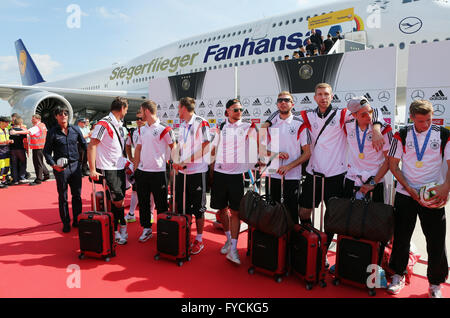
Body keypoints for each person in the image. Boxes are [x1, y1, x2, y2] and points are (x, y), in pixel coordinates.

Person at [263, 83, 387, 266]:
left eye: (326, 94)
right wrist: (265, 123)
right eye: (319, 94)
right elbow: (280, 115)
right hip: (313, 173)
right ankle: (308, 243)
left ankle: (323, 251)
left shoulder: (341, 114)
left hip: (336, 174)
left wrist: (376, 129)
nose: (323, 97)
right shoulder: (307, 115)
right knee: (304, 211)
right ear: (314, 97)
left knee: (333, 216)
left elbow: (372, 110)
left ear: (331, 96)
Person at [387, 99, 449, 298]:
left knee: (436, 240)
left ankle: (435, 283)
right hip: (406, 194)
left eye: (429, 120)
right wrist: (409, 189)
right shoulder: (402, 134)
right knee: (401, 237)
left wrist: (445, 187)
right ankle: (398, 274)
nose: (426, 124)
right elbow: (393, 166)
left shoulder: (444, 134)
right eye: (421, 121)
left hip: (432, 196)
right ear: (412, 117)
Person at [210, 98, 258, 264]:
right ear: (227, 111)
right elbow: (213, 149)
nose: (239, 112)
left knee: (236, 212)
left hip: (237, 176)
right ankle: (229, 239)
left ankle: (234, 249)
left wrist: (267, 157)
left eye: (241, 110)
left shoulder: (247, 127)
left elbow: (258, 145)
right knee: (221, 210)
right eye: (235, 110)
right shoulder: (220, 126)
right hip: (219, 174)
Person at [259, 92, 311, 226]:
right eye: (280, 100)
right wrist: (275, 154)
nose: (283, 102)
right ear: (277, 104)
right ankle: (275, 242)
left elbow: (307, 153)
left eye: (287, 100)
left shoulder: (300, 124)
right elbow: (261, 149)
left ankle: (291, 243)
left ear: (292, 104)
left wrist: (289, 166)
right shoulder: (269, 124)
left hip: (292, 175)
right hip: (272, 174)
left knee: (291, 211)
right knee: (272, 209)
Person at [172, 97, 211, 255]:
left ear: (183, 108)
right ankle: (185, 235)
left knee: (199, 209)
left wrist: (186, 161)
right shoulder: (182, 125)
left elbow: (206, 147)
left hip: (197, 172)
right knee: (183, 206)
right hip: (182, 172)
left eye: (178, 108)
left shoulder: (201, 122)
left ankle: (199, 239)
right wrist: (176, 161)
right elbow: (180, 148)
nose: (177, 111)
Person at [88, 97, 129, 245]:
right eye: (127, 108)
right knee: (117, 200)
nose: (127, 111)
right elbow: (92, 145)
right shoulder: (103, 124)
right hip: (108, 168)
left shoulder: (118, 124)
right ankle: (118, 227)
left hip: (119, 167)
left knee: (120, 199)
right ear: (122, 108)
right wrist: (92, 169)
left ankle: (119, 226)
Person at [133, 100, 175, 242]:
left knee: (161, 203)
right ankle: (146, 229)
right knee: (144, 202)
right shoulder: (141, 129)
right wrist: (135, 168)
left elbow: (173, 147)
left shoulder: (165, 128)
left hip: (159, 172)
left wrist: (175, 165)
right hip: (142, 172)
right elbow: (138, 149)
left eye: (141, 111)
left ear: (146, 111)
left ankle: (164, 230)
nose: (139, 114)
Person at [43, 106, 86, 233]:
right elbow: (46, 152)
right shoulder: (52, 132)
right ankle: (66, 222)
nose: (64, 116)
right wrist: (53, 165)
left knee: (77, 195)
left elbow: (85, 145)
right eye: (60, 114)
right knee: (63, 196)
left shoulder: (75, 129)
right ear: (56, 116)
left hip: (75, 167)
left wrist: (84, 163)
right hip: (61, 169)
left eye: (65, 113)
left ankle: (77, 220)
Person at [343, 97, 393, 201]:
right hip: (352, 179)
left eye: (370, 112)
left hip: (375, 180)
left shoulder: (384, 129)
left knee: (374, 217)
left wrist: (373, 182)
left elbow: (388, 161)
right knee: (350, 216)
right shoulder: (347, 123)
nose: (369, 116)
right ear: (354, 115)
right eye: (363, 114)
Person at [28, 114, 50, 186]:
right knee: (40, 162)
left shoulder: (36, 127)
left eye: (33, 119)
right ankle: (46, 174)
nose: (32, 120)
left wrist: (16, 132)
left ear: (37, 119)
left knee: (37, 163)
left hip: (37, 147)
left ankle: (38, 180)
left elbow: (28, 132)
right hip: (41, 146)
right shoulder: (43, 125)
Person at [9, 117, 29, 184]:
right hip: (20, 149)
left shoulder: (9, 130)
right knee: (23, 163)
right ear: (20, 123)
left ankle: (15, 180)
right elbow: (27, 138)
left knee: (14, 165)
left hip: (12, 150)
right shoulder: (21, 131)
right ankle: (22, 177)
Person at [0, 117, 13, 189]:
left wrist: (10, 141)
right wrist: (5, 142)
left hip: (6, 150)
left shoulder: (6, 129)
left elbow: (6, 139)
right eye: (6, 122)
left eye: (8, 123)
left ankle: (3, 180)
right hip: (0, 151)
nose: (7, 124)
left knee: (6, 166)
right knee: (1, 166)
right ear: (1, 122)